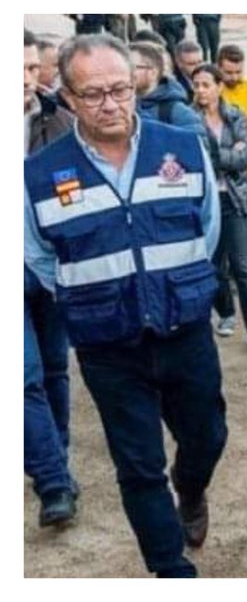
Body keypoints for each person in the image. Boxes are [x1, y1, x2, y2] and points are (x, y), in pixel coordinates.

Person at [24, 34, 226, 577]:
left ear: (135, 84)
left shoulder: (181, 149)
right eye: (92, 95)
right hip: (108, 346)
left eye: (119, 89)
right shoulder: (39, 175)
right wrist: (95, 292)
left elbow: (207, 228)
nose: (109, 104)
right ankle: (169, 569)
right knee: (137, 467)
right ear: (66, 96)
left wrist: (172, 282)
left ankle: (193, 488)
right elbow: (43, 259)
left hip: (184, 329)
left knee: (207, 436)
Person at [25, 30, 76, 529]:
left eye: (30, 68)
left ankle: (57, 456)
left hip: (50, 269)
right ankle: (53, 482)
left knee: (55, 371)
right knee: (21, 378)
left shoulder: (57, 120)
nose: (26, 80)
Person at [191, 64, 247, 347]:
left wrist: (217, 156)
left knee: (243, 267)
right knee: (214, 266)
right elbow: (198, 160)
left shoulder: (235, 115)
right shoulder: (190, 119)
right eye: (196, 85)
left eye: (206, 84)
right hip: (208, 201)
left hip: (237, 198)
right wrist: (227, 154)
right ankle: (226, 314)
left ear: (219, 86)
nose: (200, 90)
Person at [131, 40, 206, 135]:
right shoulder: (119, 105)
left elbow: (197, 144)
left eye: (132, 67)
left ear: (153, 73)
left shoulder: (176, 111)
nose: (125, 71)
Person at [216, 44, 247, 130]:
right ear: (218, 68)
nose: (234, 77)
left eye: (238, 72)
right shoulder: (210, 91)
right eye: (229, 73)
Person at [172, 38, 204, 103]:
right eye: (192, 64)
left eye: (200, 62)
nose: (198, 67)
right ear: (179, 63)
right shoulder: (174, 87)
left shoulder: (211, 78)